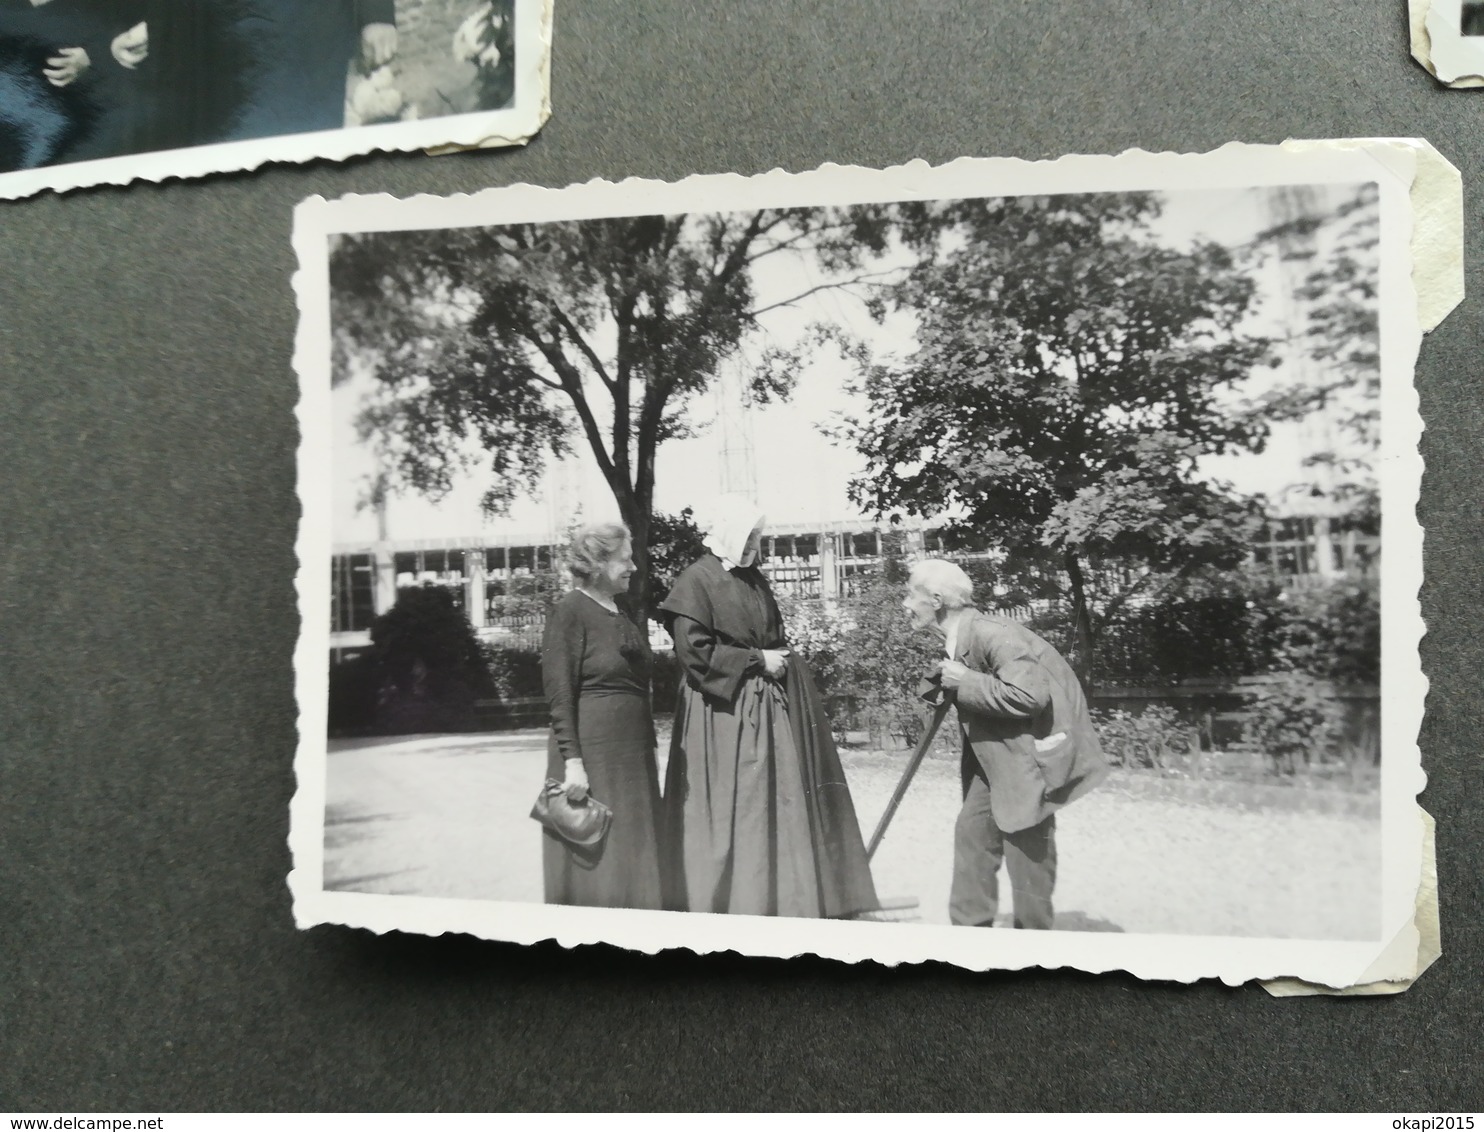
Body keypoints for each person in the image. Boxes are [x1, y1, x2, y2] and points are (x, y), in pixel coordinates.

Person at [660, 494, 878, 919]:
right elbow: (694, 653)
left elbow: (771, 636)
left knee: (775, 800)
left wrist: (773, 662)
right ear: (724, 533)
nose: (751, 544)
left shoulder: (753, 579)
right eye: (745, 535)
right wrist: (758, 660)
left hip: (765, 706)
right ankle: (733, 901)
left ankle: (779, 898)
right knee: (733, 803)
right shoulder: (695, 581)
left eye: (756, 536)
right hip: (720, 711)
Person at [903, 559, 1108, 930]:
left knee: (1027, 854)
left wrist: (964, 680)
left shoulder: (993, 632)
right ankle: (970, 939)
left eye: (909, 594)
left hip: (1029, 757)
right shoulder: (961, 634)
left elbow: (1029, 696)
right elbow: (971, 680)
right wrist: (948, 679)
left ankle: (1031, 951)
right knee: (973, 837)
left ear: (936, 599)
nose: (904, 603)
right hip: (996, 758)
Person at [539, 522, 664, 910]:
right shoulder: (570, 612)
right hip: (595, 757)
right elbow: (560, 695)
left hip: (631, 757)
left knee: (633, 850)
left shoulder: (619, 611)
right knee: (598, 856)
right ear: (598, 563)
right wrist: (573, 764)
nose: (633, 568)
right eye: (625, 560)